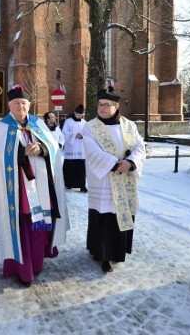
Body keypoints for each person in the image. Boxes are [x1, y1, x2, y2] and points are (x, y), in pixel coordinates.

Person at [0, 85, 69, 287]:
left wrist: (41, 148)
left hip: (41, 187)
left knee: (38, 226)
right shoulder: (0, 127)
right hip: (16, 190)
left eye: (23, 103)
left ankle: (36, 264)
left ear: (29, 105)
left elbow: (54, 149)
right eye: (16, 103)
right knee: (20, 226)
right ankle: (22, 269)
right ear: (9, 106)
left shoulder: (38, 123)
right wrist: (20, 153)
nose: (20, 106)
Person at [81, 86, 145, 273]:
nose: (101, 108)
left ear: (116, 107)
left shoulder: (129, 125)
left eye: (106, 105)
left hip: (125, 179)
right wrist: (115, 164)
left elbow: (140, 146)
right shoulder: (91, 127)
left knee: (120, 216)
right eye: (100, 105)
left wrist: (131, 162)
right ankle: (102, 255)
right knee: (105, 217)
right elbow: (92, 151)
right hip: (104, 181)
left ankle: (118, 251)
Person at [62, 104, 87, 192]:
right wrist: (75, 135)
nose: (79, 116)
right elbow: (64, 133)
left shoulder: (84, 123)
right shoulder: (68, 122)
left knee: (81, 168)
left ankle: (82, 186)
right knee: (70, 167)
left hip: (81, 149)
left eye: (81, 115)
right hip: (71, 148)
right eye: (78, 114)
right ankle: (68, 184)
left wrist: (83, 136)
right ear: (75, 113)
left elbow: (88, 133)